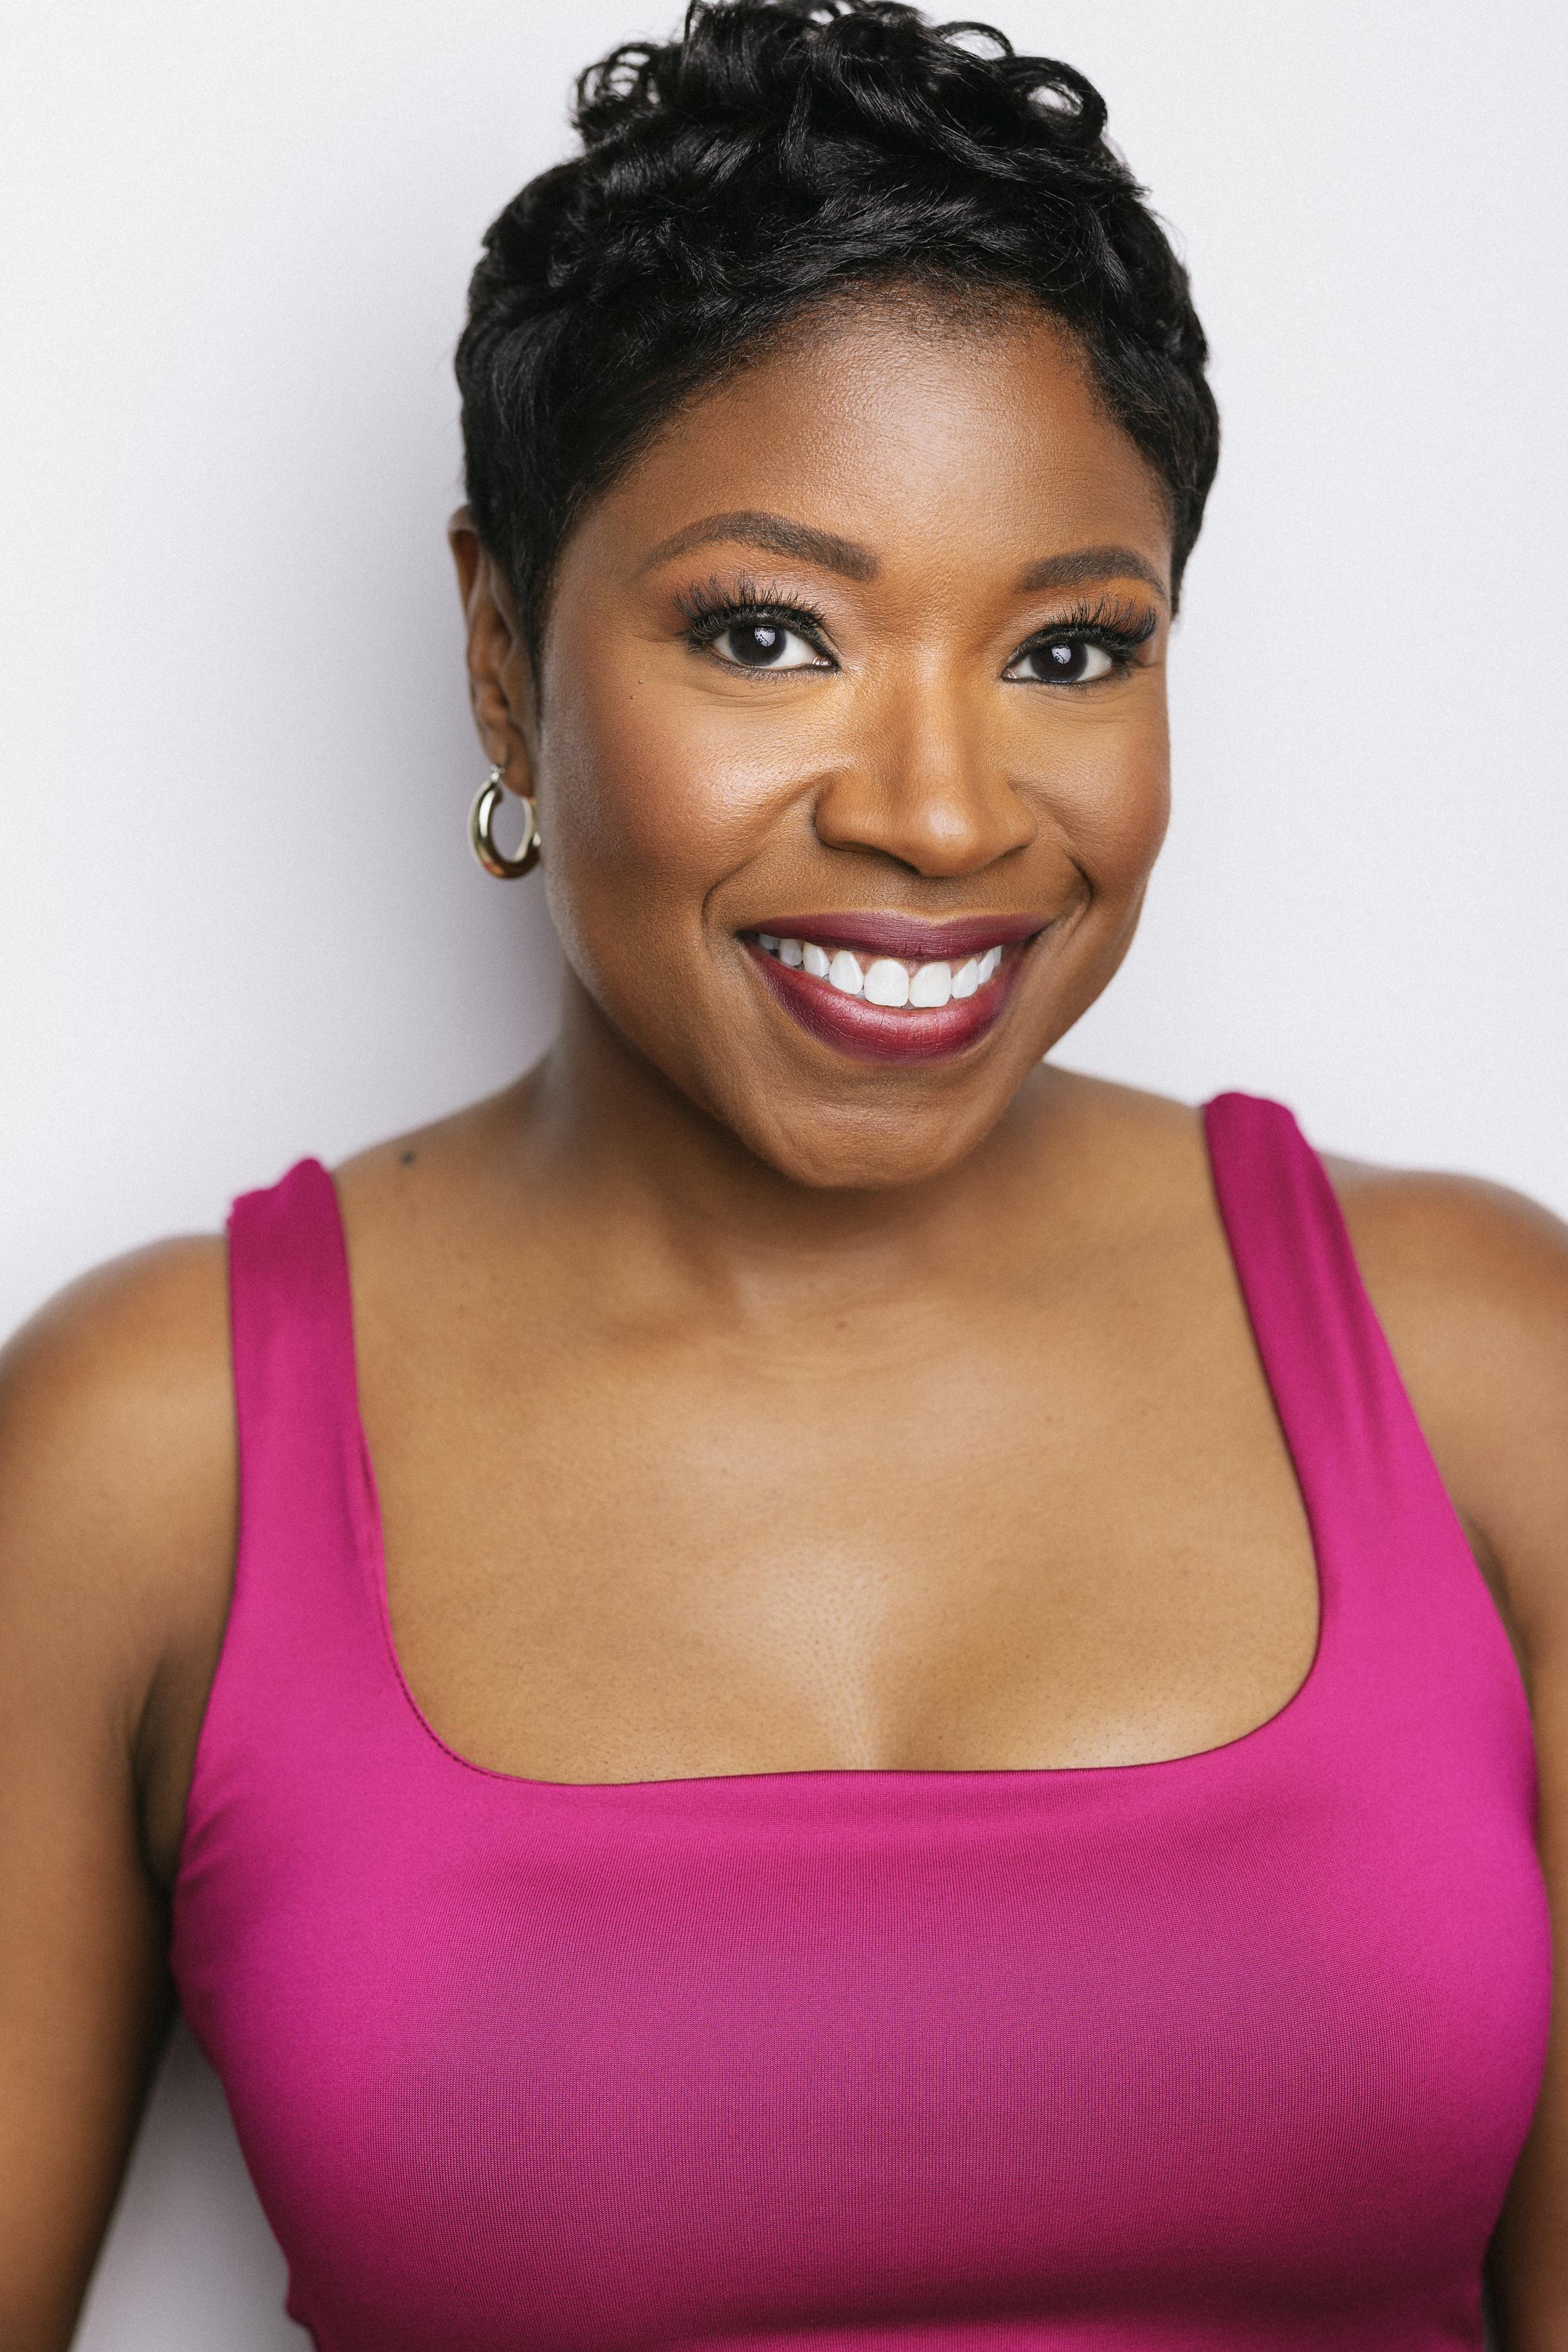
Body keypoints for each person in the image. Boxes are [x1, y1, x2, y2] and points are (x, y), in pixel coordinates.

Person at [2, 1, 1564, 2345]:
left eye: (1071, 650)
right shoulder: (155, 1453)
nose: (939, 815)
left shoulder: (1486, 1367)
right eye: (770, 635)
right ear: (504, 653)